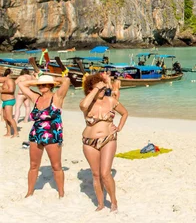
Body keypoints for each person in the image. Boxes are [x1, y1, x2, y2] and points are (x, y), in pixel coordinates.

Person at [80, 73, 128, 212]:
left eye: (102, 89)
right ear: (90, 90)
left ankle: (113, 201)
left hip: (108, 139)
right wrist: (96, 89)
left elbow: (125, 113)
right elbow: (83, 106)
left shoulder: (111, 101)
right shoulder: (87, 103)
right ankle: (100, 204)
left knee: (105, 173)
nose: (102, 91)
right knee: (96, 174)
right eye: (98, 89)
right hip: (89, 141)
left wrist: (119, 127)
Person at [18, 75, 70, 198]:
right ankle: (30, 192)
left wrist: (50, 80)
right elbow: (21, 84)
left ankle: (61, 193)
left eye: (45, 85)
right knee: (33, 165)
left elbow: (66, 80)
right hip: (35, 134)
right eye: (40, 85)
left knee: (56, 166)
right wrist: (39, 81)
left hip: (52, 134)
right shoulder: (36, 97)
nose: (41, 86)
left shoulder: (57, 97)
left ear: (51, 85)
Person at [1, 69, 18, 137]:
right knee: (5, 117)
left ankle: (16, 132)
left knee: (9, 117)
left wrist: (1, 90)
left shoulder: (10, 80)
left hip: (9, 100)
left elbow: (11, 90)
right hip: (5, 101)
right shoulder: (5, 81)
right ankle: (8, 132)